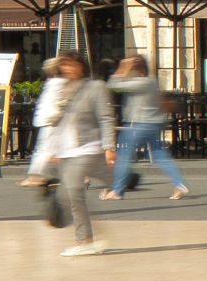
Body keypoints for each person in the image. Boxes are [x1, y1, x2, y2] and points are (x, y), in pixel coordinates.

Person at [31, 53, 114, 257]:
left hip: (87, 146)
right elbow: (59, 121)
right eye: (65, 66)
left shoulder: (95, 87)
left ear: (82, 66)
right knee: (72, 195)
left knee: (73, 190)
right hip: (67, 149)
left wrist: (109, 146)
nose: (68, 69)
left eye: (72, 65)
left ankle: (84, 240)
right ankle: (87, 238)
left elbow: (106, 117)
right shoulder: (61, 88)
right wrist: (53, 149)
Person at [107, 53, 188, 200]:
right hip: (154, 124)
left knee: (124, 156)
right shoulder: (152, 82)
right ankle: (179, 184)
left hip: (138, 125)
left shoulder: (140, 82)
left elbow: (113, 86)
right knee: (160, 155)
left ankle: (117, 191)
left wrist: (123, 67)